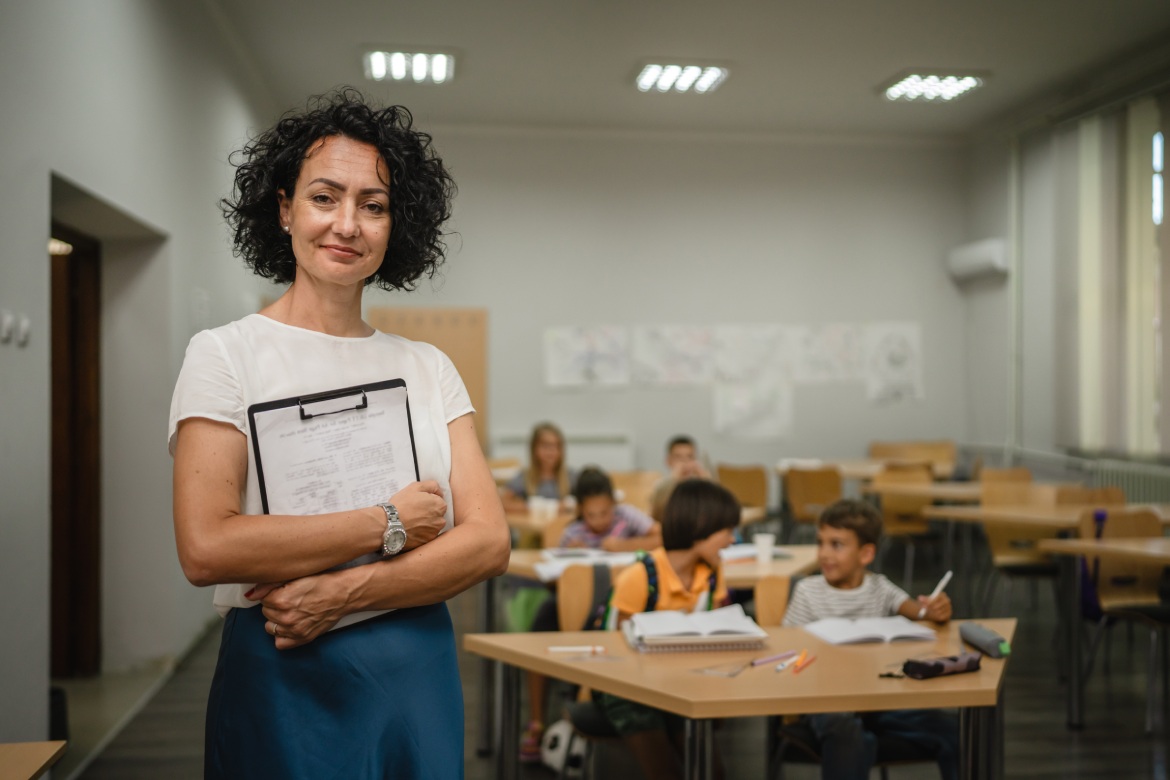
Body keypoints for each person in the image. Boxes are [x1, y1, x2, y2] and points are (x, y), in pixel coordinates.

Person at [169, 89, 509, 780]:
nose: (347, 224)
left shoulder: (427, 368)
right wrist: (388, 521)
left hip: (413, 668)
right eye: (326, 197)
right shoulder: (225, 355)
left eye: (374, 205)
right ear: (285, 207)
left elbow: (489, 540)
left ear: (395, 227)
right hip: (283, 657)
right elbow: (208, 546)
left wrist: (343, 593)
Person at [782, 499, 957, 780]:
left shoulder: (880, 587)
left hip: (878, 700)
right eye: (821, 543)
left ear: (866, 554)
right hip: (826, 702)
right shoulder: (807, 591)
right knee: (845, 731)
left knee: (951, 731)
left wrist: (934, 610)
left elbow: (917, 610)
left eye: (836, 545)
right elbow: (787, 647)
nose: (824, 554)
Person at [598, 478, 739, 780]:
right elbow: (611, 651)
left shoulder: (712, 574)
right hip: (629, 690)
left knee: (713, 773)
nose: (732, 540)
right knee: (666, 774)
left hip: (679, 683)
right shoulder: (639, 576)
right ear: (702, 525)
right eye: (727, 531)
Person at [520, 466, 661, 761]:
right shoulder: (573, 533)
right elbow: (552, 580)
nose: (598, 521)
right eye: (590, 515)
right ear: (580, 510)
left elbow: (660, 537)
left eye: (604, 513)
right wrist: (572, 556)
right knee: (539, 628)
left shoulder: (628, 517)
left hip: (624, 606)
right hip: (578, 606)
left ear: (614, 505)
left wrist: (622, 545)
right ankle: (537, 721)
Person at [502, 422, 576, 512]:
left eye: (556, 446)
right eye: (546, 446)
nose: (552, 451)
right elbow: (503, 502)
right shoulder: (525, 477)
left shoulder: (571, 476)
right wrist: (551, 507)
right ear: (534, 449)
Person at [650, 435, 711, 522]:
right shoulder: (661, 485)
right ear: (668, 461)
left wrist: (707, 483)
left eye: (690, 457)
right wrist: (673, 480)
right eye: (678, 457)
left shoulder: (700, 484)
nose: (685, 462)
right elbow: (656, 514)